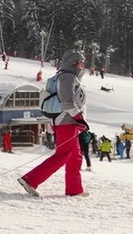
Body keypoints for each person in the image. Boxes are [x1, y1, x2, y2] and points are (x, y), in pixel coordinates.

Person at [18, 50, 89, 197]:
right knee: (62, 155)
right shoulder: (67, 77)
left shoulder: (71, 77)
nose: (83, 66)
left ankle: (74, 189)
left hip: (69, 122)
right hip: (66, 122)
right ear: (72, 63)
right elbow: (67, 102)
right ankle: (30, 180)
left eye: (83, 63)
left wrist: (79, 121)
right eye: (80, 63)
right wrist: (79, 119)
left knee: (75, 157)